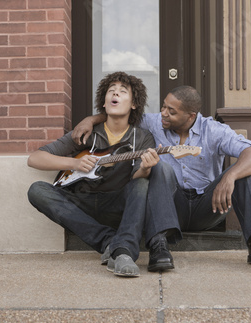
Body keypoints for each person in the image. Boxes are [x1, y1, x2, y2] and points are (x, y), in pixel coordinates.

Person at [72, 85, 251, 269]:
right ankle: (159, 245)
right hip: (172, 206)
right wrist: (91, 120)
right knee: (161, 168)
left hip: (208, 207)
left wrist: (230, 176)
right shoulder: (155, 123)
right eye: (163, 106)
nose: (163, 113)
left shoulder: (214, 130)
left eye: (171, 112)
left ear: (191, 116)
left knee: (245, 173)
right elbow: (122, 114)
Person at [27, 71, 177, 278]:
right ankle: (108, 241)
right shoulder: (87, 132)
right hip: (82, 202)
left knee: (141, 183)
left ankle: (124, 251)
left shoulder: (142, 138)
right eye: (111, 91)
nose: (115, 94)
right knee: (37, 190)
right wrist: (75, 162)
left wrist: (144, 169)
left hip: (116, 204)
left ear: (134, 104)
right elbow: (35, 158)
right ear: (104, 102)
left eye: (123, 92)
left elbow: (137, 179)